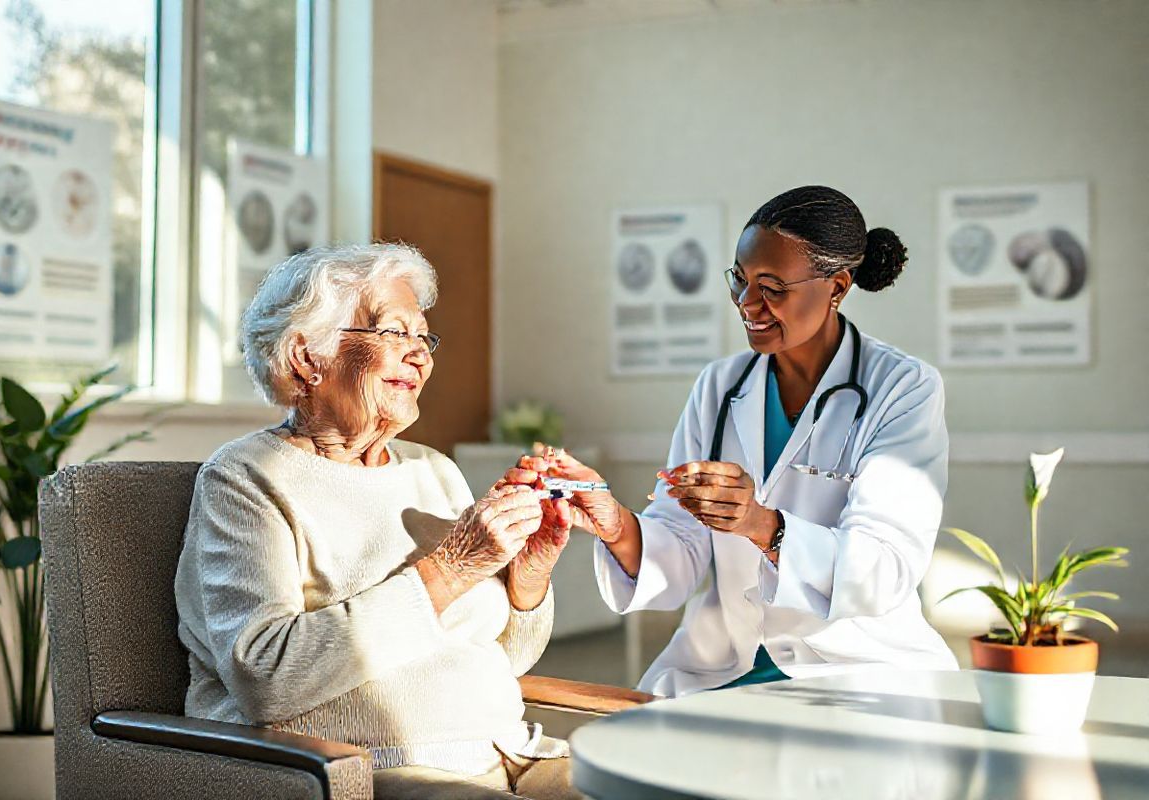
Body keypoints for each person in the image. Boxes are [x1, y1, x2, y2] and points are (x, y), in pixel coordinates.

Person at [512, 186, 957, 697]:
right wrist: (615, 524)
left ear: (836, 287)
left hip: (858, 671)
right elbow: (680, 548)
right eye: (741, 281)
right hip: (721, 668)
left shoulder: (902, 387)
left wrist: (760, 525)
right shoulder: (720, 387)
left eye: (772, 287)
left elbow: (884, 569)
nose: (748, 304)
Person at [174, 243, 580, 799]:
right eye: (394, 333)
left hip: (510, 752)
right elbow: (266, 675)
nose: (420, 356)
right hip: (370, 770)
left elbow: (498, 657)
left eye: (423, 337)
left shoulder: (432, 470)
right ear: (306, 357)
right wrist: (453, 567)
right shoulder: (247, 478)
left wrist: (527, 577)